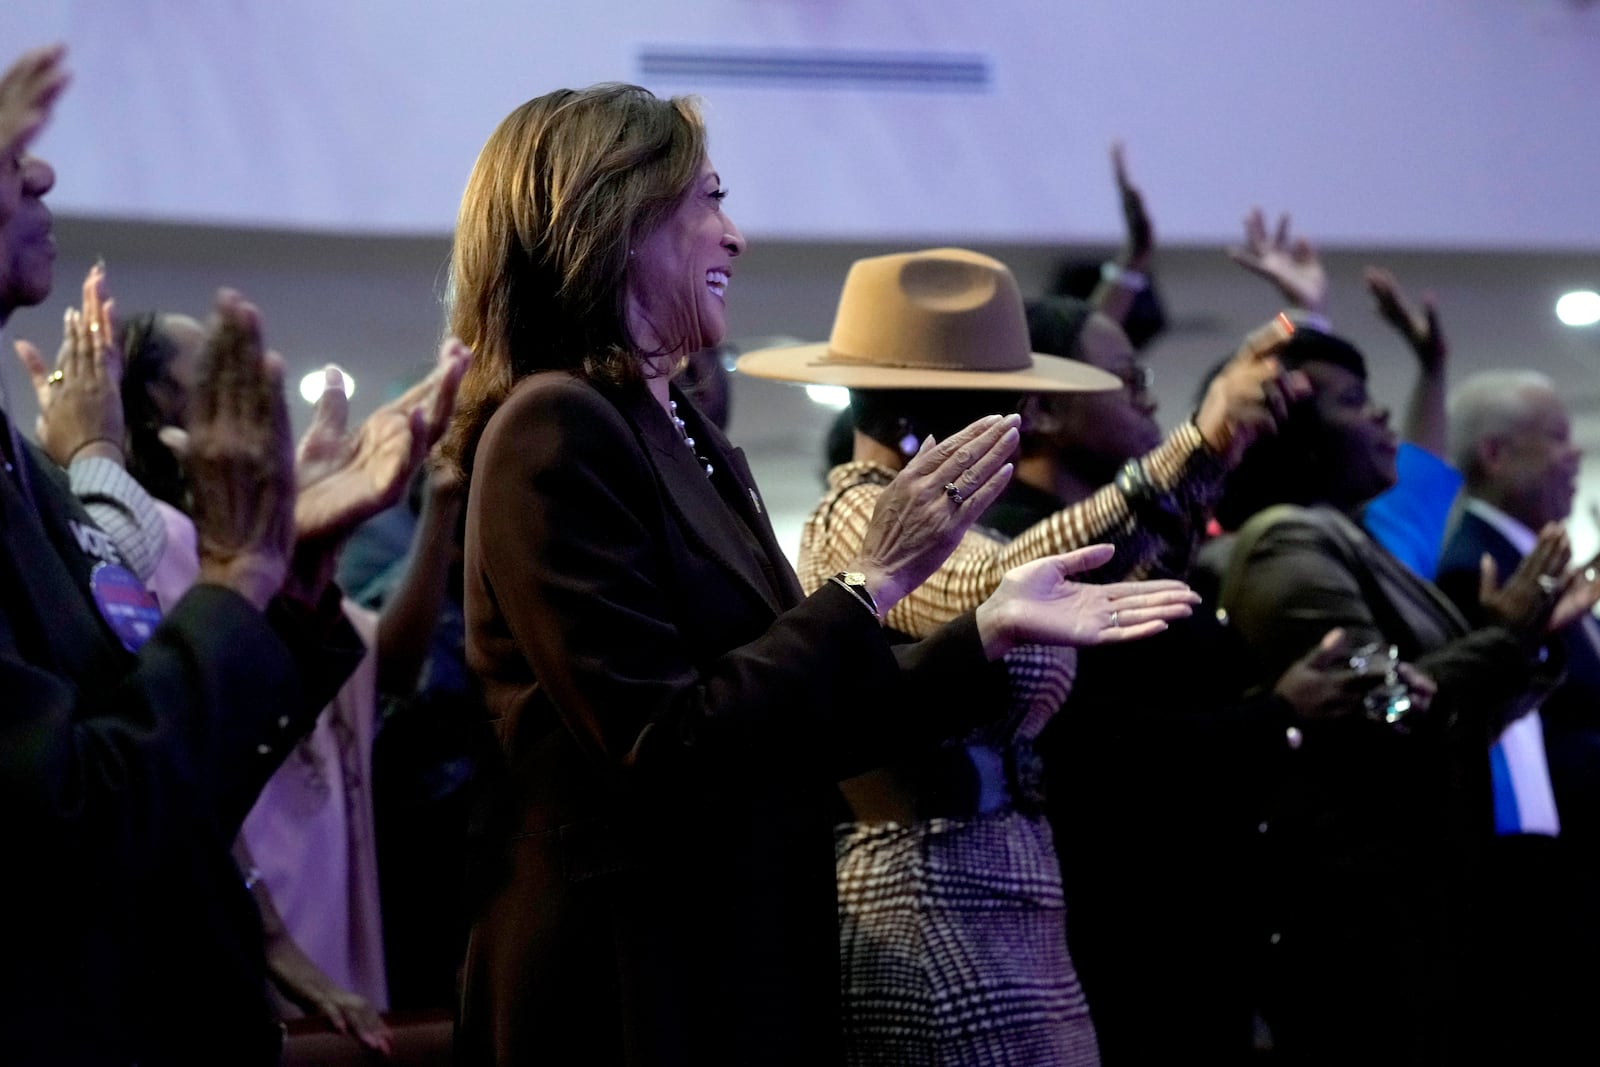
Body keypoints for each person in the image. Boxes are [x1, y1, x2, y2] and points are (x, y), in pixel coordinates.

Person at [443, 84, 1198, 1066]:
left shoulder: (688, 435)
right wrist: (869, 581)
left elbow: (806, 714)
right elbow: (661, 742)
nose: (734, 235)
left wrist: (989, 629)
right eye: (705, 201)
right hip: (626, 980)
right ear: (613, 221)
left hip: (731, 951)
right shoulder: (553, 424)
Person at [0, 44, 454, 1064]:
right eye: (8, 154)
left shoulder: (27, 470)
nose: (41, 172)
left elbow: (164, 762)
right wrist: (239, 570)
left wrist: (288, 584)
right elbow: (86, 810)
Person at [741, 247, 1206, 1065]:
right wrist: (1192, 447)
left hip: (1009, 883)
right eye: (993, 395)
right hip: (927, 890)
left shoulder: (964, 526)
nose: (1020, 410)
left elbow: (1111, 572)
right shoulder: (858, 517)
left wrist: (1213, 456)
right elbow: (1008, 586)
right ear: (918, 408)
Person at [1203, 328, 1600, 1065]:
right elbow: (1385, 713)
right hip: (1362, 919)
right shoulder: (1287, 540)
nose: (1383, 417)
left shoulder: (1350, 540)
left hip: (1416, 901)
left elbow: (1455, 715)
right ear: (1295, 434)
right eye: (1355, 402)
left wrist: (1524, 643)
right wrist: (1508, 640)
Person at [1435, 368, 1600, 1062]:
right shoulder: (1473, 566)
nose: (1576, 455)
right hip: (1529, 886)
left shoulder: (1532, 557)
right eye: (1557, 437)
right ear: (1496, 454)